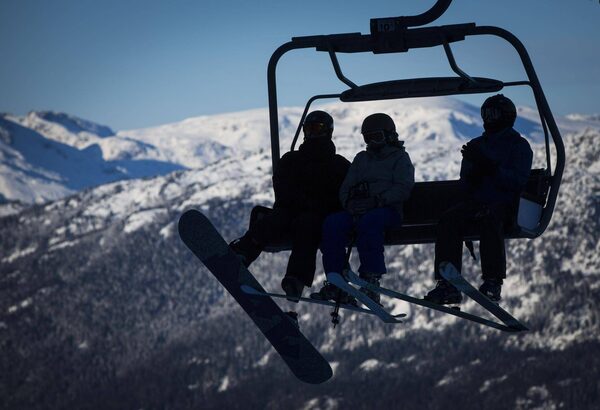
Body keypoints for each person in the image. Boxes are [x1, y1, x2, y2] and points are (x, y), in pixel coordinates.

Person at [229, 110, 350, 304]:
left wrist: (316, 205)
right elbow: (281, 187)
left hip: (317, 216)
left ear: (328, 131)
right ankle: (244, 252)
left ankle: (296, 280)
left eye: (317, 128)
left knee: (307, 225)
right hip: (290, 210)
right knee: (276, 218)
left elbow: (343, 195)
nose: (312, 133)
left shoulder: (338, 165)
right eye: (309, 129)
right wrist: (299, 202)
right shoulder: (291, 160)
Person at [424, 94, 533, 305]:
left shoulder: (518, 146)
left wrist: (490, 168)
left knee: (491, 218)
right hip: (477, 202)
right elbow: (465, 181)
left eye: (493, 114)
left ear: (506, 116)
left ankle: (493, 281)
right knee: (448, 220)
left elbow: (517, 181)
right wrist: (473, 175)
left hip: (507, 203)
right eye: (486, 114)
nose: (489, 119)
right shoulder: (477, 145)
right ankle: (448, 284)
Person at [312, 113, 415, 305]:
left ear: (389, 135)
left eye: (377, 137)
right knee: (333, 223)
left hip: (387, 211)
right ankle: (336, 280)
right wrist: (349, 203)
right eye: (368, 138)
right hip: (358, 210)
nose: (372, 143)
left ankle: (371, 279)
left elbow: (403, 187)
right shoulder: (361, 159)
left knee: (370, 222)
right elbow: (346, 188)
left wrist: (378, 200)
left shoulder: (400, 158)